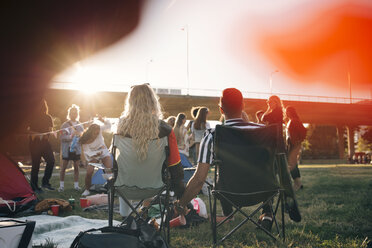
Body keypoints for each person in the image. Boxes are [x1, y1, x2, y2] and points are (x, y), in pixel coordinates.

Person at [174, 88, 274, 230]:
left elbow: (199, 179)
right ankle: (268, 213)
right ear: (243, 106)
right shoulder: (264, 132)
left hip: (228, 194)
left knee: (219, 177)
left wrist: (181, 204)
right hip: (263, 191)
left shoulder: (212, 135)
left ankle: (228, 214)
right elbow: (275, 167)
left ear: (221, 110)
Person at [116, 83, 185, 218]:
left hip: (124, 186)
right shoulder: (165, 129)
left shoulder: (120, 127)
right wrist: (180, 193)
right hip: (155, 187)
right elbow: (175, 165)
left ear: (130, 102)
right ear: (153, 101)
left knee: (122, 170)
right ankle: (144, 211)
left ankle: (126, 214)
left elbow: (116, 159)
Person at [27, 99, 55, 192]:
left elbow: (50, 130)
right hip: (34, 143)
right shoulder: (31, 116)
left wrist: (48, 134)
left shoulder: (48, 117)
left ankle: (45, 182)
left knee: (51, 161)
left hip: (45, 143)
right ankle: (34, 186)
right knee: (36, 165)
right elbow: (27, 130)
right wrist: (38, 134)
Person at [79, 118, 112, 196]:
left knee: (109, 169)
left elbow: (108, 125)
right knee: (89, 172)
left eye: (98, 133)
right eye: (95, 133)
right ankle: (87, 189)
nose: (97, 135)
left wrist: (102, 120)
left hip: (103, 152)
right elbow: (87, 152)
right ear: (90, 132)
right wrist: (95, 154)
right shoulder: (85, 139)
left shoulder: (99, 131)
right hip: (93, 155)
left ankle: (110, 188)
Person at [58, 104, 84, 192]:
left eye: (75, 113)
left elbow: (82, 138)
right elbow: (61, 137)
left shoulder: (80, 125)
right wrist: (70, 137)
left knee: (76, 168)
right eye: (72, 113)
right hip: (67, 149)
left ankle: (76, 186)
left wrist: (79, 138)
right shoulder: (64, 125)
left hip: (76, 150)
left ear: (77, 114)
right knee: (63, 168)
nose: (74, 114)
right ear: (69, 114)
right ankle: (61, 186)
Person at [285, 106, 307, 191]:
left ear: (292, 112)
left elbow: (304, 131)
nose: (287, 113)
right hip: (291, 144)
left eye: (288, 111)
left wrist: (298, 141)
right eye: (286, 112)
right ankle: (298, 183)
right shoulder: (290, 120)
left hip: (294, 145)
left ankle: (297, 184)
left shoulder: (295, 120)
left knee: (291, 163)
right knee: (292, 163)